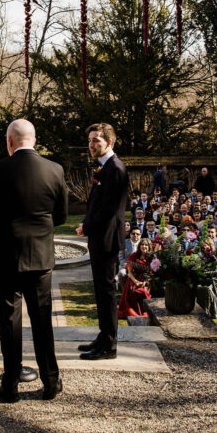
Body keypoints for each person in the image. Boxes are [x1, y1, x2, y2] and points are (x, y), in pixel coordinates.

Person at [0, 120, 68, 402]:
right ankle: (51, 382)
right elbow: (60, 216)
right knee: (42, 320)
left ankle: (11, 384)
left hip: (5, 256)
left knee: (9, 322)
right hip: (40, 257)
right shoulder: (55, 169)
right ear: (34, 140)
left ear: (9, 141)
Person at [76, 122, 129, 361]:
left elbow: (109, 210)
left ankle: (109, 345)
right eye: (90, 141)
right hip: (100, 238)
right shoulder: (105, 168)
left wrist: (86, 227)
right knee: (100, 290)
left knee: (106, 291)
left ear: (109, 142)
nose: (91, 145)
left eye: (96, 140)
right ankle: (103, 336)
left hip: (106, 240)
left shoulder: (115, 168)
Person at [118, 238, 153, 320]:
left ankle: (144, 310)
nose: (144, 246)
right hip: (134, 278)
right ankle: (135, 311)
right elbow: (129, 271)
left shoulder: (151, 257)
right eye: (142, 245)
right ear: (139, 246)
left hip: (147, 279)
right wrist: (135, 281)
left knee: (143, 292)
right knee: (133, 291)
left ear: (149, 246)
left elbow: (153, 273)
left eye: (146, 245)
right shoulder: (134, 255)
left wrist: (146, 281)